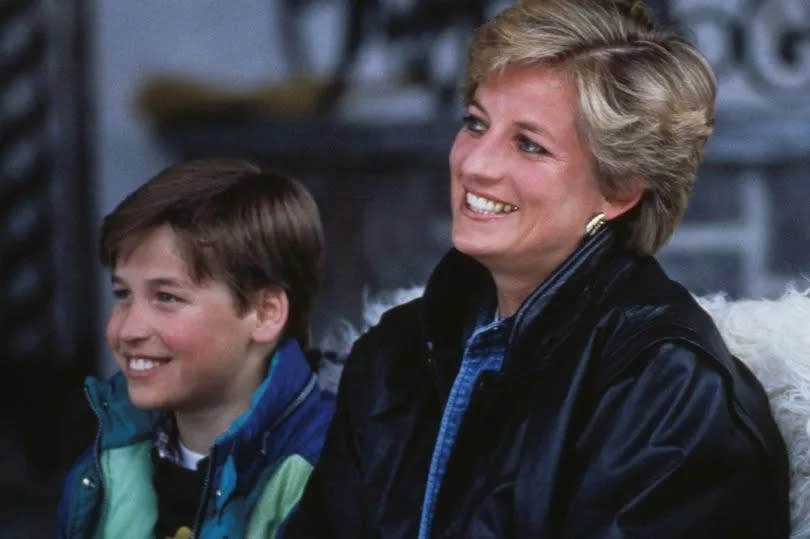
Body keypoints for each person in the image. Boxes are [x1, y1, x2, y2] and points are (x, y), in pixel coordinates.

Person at [284, 1, 791, 537]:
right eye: (476, 123)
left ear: (619, 189)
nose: (475, 164)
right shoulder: (393, 354)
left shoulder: (671, 393)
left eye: (529, 144)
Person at [57, 158, 335, 538]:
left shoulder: (329, 472)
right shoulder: (102, 471)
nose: (127, 329)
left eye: (167, 297)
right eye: (122, 294)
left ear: (265, 313)